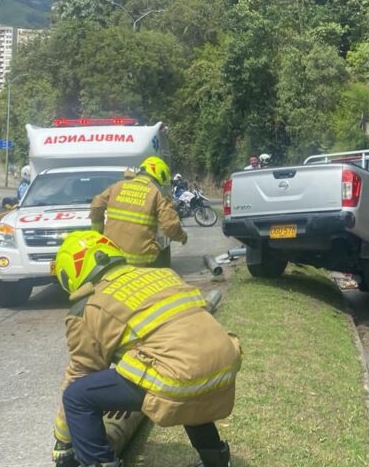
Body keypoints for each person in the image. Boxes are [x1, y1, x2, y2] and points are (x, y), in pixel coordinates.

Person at [49, 231, 240, 467]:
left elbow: (81, 373)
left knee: (77, 396)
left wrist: (63, 439)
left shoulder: (87, 306)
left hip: (181, 374)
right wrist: (119, 392)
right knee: (187, 385)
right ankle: (217, 460)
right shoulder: (161, 274)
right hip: (225, 361)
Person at [90, 156, 187, 267]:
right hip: (141, 261)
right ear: (161, 175)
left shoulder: (117, 187)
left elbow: (96, 205)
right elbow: (170, 226)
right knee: (160, 250)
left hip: (112, 256)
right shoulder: (157, 194)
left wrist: (98, 232)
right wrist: (182, 236)